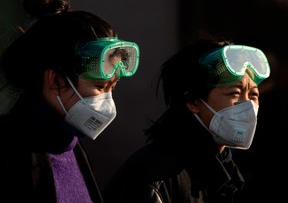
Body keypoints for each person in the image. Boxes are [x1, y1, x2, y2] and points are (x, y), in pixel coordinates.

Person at [0, 0, 140, 203]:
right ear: (55, 81)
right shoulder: (11, 157)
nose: (108, 103)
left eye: (113, 87)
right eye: (100, 87)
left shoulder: (69, 145)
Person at [102, 37, 270, 203]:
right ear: (193, 102)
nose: (247, 105)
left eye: (253, 95)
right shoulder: (155, 175)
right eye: (234, 93)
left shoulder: (226, 170)